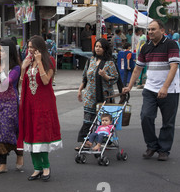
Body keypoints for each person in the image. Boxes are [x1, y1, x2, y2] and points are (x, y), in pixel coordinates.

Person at [123, 20, 180, 161]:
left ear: (162, 30)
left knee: (168, 122)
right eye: (148, 29)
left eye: (153, 29)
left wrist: (165, 87)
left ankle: (164, 150)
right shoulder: (145, 47)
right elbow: (137, 69)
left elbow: (173, 67)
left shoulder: (171, 44)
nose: (150, 32)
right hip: (150, 89)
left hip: (170, 90)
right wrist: (129, 86)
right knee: (146, 117)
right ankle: (152, 145)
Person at [18, 36, 62, 182]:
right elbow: (22, 83)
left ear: (39, 48)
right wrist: (24, 68)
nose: (29, 50)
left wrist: (39, 63)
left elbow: (45, 81)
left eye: (32, 47)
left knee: (41, 134)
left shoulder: (49, 61)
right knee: (30, 134)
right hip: (29, 103)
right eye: (28, 47)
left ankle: (46, 167)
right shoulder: (28, 62)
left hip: (43, 104)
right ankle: (37, 168)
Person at [0, 38, 22, 175]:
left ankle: (19, 153)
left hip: (10, 103)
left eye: (2, 50)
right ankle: (3, 164)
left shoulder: (16, 68)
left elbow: (7, 82)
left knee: (10, 131)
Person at [76, 38, 119, 145]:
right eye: (96, 46)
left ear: (105, 48)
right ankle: (84, 142)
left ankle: (104, 141)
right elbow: (85, 77)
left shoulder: (109, 62)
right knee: (87, 121)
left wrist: (105, 76)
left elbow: (115, 78)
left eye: (100, 46)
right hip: (90, 96)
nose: (98, 48)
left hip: (104, 97)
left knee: (104, 121)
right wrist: (80, 90)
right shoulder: (90, 60)